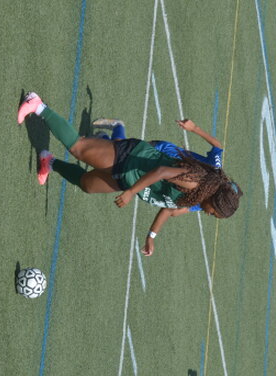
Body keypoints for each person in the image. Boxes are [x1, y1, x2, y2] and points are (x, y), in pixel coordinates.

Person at [18, 92, 242, 256]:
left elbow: (169, 208)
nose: (209, 215)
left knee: (87, 184)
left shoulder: (197, 198)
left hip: (130, 178)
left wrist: (151, 236)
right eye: (214, 213)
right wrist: (132, 192)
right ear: (216, 201)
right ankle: (38, 105)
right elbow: (162, 171)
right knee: (79, 148)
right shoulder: (195, 182)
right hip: (133, 159)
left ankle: (49, 161)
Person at [93, 117, 225, 213]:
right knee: (120, 157)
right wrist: (194, 128)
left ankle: (105, 138)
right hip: (161, 152)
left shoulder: (204, 197)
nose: (210, 213)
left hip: (157, 177)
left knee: (118, 164)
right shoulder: (215, 169)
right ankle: (115, 130)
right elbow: (218, 146)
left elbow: (177, 209)